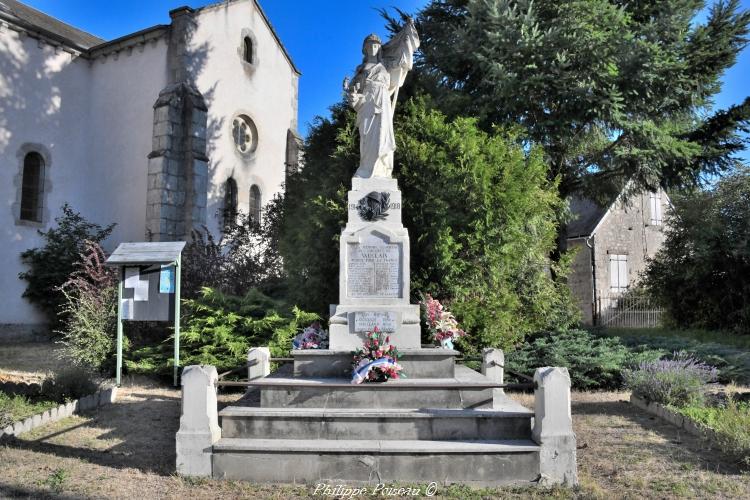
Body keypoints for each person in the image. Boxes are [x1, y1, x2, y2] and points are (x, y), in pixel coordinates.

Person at [345, 21, 419, 179]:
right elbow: (354, 91)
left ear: (379, 48)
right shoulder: (360, 69)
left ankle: (381, 171)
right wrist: (351, 93)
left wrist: (406, 39)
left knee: (382, 135)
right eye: (369, 45)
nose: (373, 48)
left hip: (382, 101)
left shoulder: (386, 64)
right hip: (367, 104)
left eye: (375, 45)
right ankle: (365, 169)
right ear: (365, 49)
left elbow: (401, 61)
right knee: (366, 139)